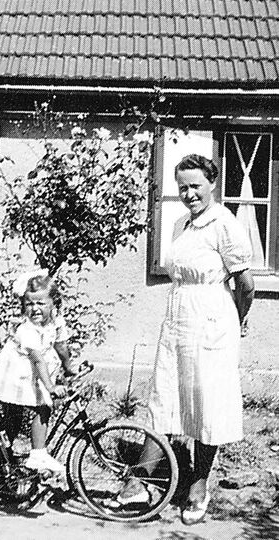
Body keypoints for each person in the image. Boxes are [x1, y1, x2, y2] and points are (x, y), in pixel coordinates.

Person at [145, 154, 254, 524]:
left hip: (212, 318)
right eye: (183, 187)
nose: (189, 193)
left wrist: (235, 320)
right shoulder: (180, 224)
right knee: (166, 392)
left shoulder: (224, 222)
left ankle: (199, 483)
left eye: (196, 186)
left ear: (212, 184)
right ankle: (143, 476)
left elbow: (246, 285)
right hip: (178, 313)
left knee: (206, 401)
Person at [0, 270, 77, 472]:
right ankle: (38, 455)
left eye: (41, 303)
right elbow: (38, 360)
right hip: (16, 375)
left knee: (13, 418)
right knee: (42, 406)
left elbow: (61, 346)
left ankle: (0, 461)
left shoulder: (56, 321)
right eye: (29, 303)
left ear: (54, 303)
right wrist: (50, 386)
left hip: (29, 375)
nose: (35, 309)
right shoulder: (27, 329)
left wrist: (69, 368)